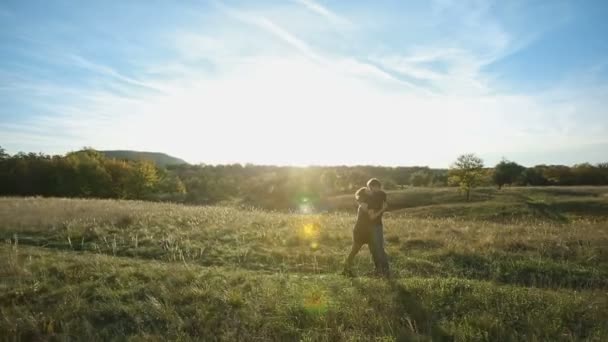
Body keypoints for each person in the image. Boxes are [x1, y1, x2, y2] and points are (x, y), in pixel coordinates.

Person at [343, 187, 373, 276]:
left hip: (367, 230)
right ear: (364, 194)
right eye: (368, 191)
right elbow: (370, 213)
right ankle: (346, 269)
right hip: (360, 230)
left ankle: (377, 270)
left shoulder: (367, 202)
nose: (370, 192)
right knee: (355, 250)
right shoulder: (363, 204)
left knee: (373, 250)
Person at [366, 178, 390, 277]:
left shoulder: (377, 196)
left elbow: (372, 217)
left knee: (378, 248)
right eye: (375, 186)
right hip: (368, 226)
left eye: (378, 186)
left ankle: (385, 271)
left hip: (375, 225)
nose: (378, 188)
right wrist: (382, 209)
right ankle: (378, 270)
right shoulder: (378, 195)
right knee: (373, 249)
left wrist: (382, 210)